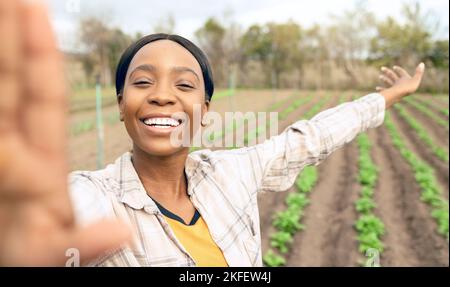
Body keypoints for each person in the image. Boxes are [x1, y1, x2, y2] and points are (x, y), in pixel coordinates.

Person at [0, 0, 425, 266]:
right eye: (142, 82)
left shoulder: (231, 172)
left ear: (205, 112)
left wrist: (385, 98)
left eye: (184, 85)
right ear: (120, 105)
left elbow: (311, 137)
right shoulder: (95, 197)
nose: (162, 96)